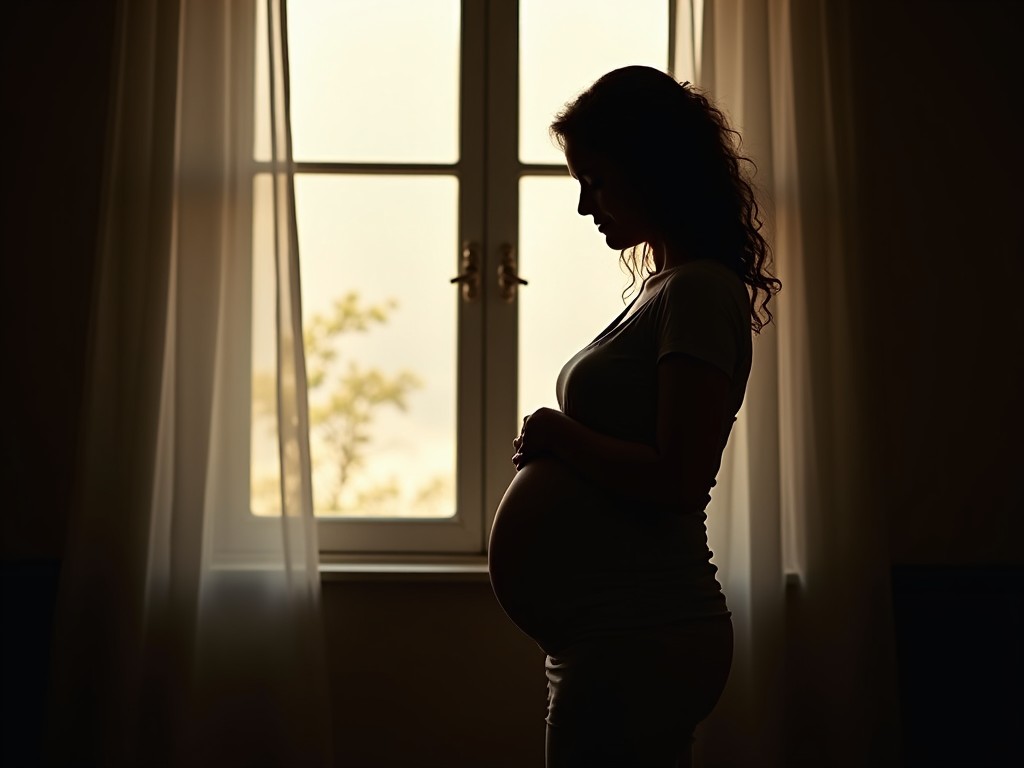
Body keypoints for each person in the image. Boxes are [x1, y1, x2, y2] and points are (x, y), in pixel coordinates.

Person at [490, 65, 781, 767]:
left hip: (643, 630)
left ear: (649, 168)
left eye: (594, 178)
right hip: (611, 634)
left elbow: (678, 478)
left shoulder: (702, 294)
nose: (586, 206)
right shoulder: (666, 288)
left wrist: (556, 431)